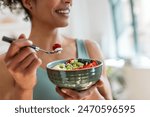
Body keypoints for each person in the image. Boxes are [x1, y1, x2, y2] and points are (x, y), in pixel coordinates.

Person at [0, 0, 112, 100]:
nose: (69, 1)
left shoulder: (90, 48)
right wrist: (24, 89)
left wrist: (91, 96)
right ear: (28, 2)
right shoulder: (6, 64)